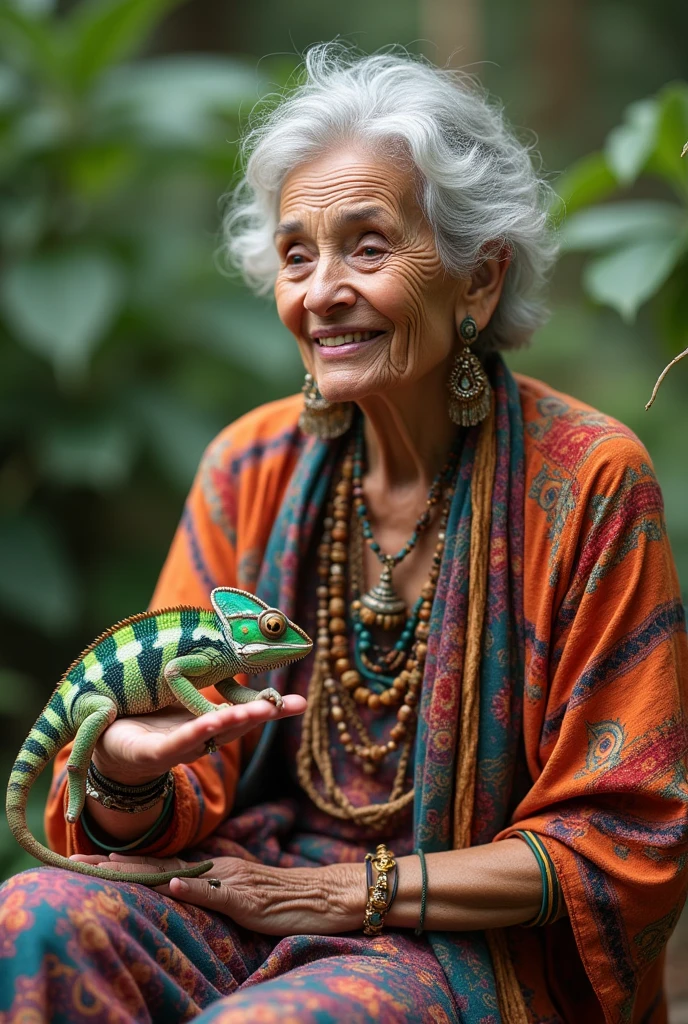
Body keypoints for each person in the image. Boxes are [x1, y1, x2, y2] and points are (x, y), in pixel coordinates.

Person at [1, 44, 686, 1024]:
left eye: (367, 247)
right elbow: (168, 793)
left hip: (471, 948)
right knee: (33, 915)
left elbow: (630, 833)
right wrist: (127, 766)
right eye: (295, 255)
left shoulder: (587, 479)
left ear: (478, 279)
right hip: (256, 883)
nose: (319, 291)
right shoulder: (250, 466)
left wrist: (351, 893)